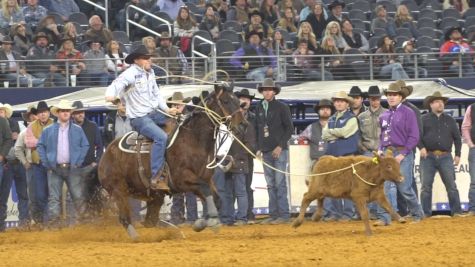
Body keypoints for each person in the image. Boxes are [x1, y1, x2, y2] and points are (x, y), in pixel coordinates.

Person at [105, 45, 178, 191]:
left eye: (149, 57)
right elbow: (116, 85)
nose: (149, 60)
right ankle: (156, 177)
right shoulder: (129, 74)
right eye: (145, 58)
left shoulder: (150, 73)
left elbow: (157, 94)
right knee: (161, 138)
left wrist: (167, 109)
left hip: (155, 113)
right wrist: (110, 95)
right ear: (137, 60)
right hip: (139, 118)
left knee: (179, 128)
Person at [37, 100, 89, 228]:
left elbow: (85, 145)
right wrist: (47, 163)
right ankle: (55, 225)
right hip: (55, 168)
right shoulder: (48, 130)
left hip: (72, 168)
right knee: (54, 198)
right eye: (63, 111)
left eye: (67, 111)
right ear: (58, 113)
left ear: (70, 113)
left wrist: (78, 162)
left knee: (77, 196)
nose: (66, 113)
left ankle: (80, 224)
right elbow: (40, 146)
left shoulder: (77, 129)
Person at [378, 82, 424, 223]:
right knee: (385, 186)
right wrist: (380, 148)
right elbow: (383, 135)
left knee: (404, 187)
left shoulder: (408, 113)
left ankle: (417, 214)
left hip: (402, 153)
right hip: (388, 154)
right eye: (389, 95)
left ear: (401, 97)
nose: (391, 97)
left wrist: (403, 153)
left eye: (394, 95)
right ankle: (384, 217)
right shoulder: (384, 115)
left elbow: (414, 136)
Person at [255, 78, 293, 224]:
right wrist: (258, 147)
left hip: (279, 150)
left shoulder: (282, 107)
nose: (267, 92)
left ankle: (283, 215)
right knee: (271, 184)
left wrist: (280, 146)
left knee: (279, 182)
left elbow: (289, 128)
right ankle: (274, 214)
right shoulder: (259, 107)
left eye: (269, 89)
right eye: (265, 90)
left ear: (274, 91)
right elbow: (258, 128)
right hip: (266, 150)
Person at [419, 91, 463, 217]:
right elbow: (417, 137)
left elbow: (457, 138)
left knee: (451, 186)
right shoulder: (423, 119)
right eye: (437, 102)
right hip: (428, 156)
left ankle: (457, 212)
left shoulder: (450, 120)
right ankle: (425, 213)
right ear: (431, 104)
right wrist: (421, 147)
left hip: (446, 156)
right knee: (426, 187)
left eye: (442, 102)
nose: (441, 104)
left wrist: (458, 154)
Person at [321, 91, 359, 221]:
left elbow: (345, 133)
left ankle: (348, 213)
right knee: (334, 186)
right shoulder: (332, 118)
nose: (338, 103)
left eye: (341, 101)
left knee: (348, 186)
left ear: (347, 104)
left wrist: (332, 133)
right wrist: (336, 133)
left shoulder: (352, 118)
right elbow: (323, 135)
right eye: (336, 101)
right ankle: (336, 213)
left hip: (346, 156)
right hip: (333, 157)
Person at [357, 86, 387, 224]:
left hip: (383, 153)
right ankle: (369, 213)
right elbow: (358, 136)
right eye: (373, 99)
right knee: (367, 183)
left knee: (381, 184)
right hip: (368, 152)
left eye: (377, 98)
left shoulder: (387, 114)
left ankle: (381, 213)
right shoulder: (361, 117)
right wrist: (363, 148)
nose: (375, 101)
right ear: (368, 99)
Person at [0, 103, 30, 230]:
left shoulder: (19, 125)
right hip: (7, 164)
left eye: (2, 111)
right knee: (3, 196)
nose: (0, 113)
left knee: (23, 195)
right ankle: (1, 225)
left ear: (6, 112)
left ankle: (24, 223)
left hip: (19, 163)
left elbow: (27, 140)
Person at [24, 101, 53, 228]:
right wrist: (44, 141)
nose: (43, 115)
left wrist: (38, 141)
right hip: (38, 164)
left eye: (45, 112)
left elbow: (56, 141)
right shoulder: (31, 126)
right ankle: (46, 221)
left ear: (48, 113)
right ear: (38, 114)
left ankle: (52, 221)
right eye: (40, 113)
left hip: (52, 165)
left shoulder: (55, 124)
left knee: (54, 194)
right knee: (41, 195)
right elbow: (28, 143)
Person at [234, 89, 258, 223]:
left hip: (248, 155)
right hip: (235, 154)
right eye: (242, 99)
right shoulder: (234, 117)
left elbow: (258, 134)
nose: (245, 101)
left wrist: (256, 149)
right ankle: (240, 214)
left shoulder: (254, 118)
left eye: (247, 99)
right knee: (237, 186)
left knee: (247, 185)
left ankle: (248, 213)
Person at [14, 105, 37, 229]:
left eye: (34, 114)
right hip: (32, 166)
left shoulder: (48, 129)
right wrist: (25, 162)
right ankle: (34, 221)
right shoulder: (25, 132)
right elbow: (17, 149)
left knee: (46, 195)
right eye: (31, 115)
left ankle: (42, 221)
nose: (32, 117)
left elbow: (17, 149)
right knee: (32, 195)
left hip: (46, 166)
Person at [462, 96, 475, 216]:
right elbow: (465, 127)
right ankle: (473, 209)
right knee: (474, 181)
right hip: (474, 148)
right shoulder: (472, 108)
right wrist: (471, 144)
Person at [0, 108, 12, 232]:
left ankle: (1, 227)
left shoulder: (2, 122)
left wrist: (2, 155)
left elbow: (8, 139)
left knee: (2, 196)